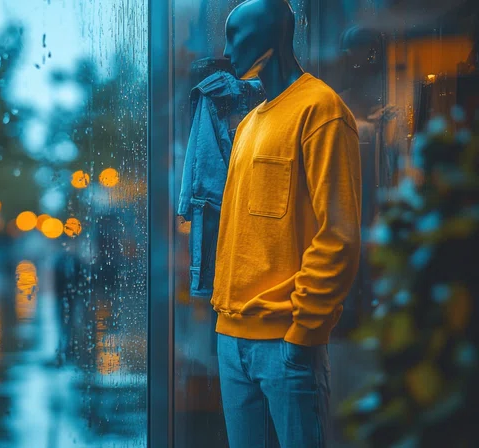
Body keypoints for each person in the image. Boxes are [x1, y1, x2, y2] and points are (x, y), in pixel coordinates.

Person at [211, 1, 362, 447]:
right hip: (231, 339)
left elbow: (339, 235)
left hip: (287, 341)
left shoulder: (321, 110)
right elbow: (238, 231)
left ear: (271, 37)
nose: (225, 50)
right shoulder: (249, 125)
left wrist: (304, 333)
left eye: (234, 37)